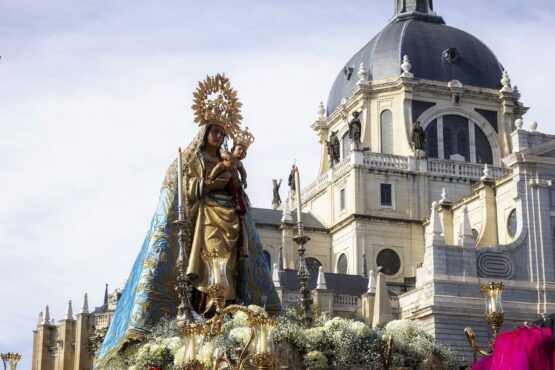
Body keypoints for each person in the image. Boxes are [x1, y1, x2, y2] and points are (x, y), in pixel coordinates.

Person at [95, 75, 280, 368]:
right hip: (203, 220)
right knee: (205, 267)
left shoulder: (227, 159)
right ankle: (205, 311)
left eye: (222, 132)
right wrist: (205, 186)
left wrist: (236, 193)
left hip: (230, 218)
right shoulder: (192, 160)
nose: (218, 136)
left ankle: (225, 314)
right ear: (205, 131)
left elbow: (239, 188)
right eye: (214, 131)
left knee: (228, 269)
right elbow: (180, 187)